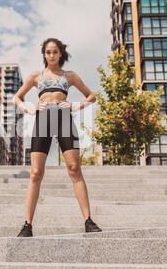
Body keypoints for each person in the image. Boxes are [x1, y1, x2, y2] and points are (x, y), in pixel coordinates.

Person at [13, 38, 102, 237]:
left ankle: (88, 221)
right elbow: (17, 97)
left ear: (60, 54)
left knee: (74, 169)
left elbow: (92, 96)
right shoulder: (36, 76)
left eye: (55, 52)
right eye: (48, 52)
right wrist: (28, 108)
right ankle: (27, 225)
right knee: (36, 172)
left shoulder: (69, 76)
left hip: (64, 119)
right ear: (44, 55)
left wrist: (76, 105)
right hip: (43, 119)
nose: (51, 55)